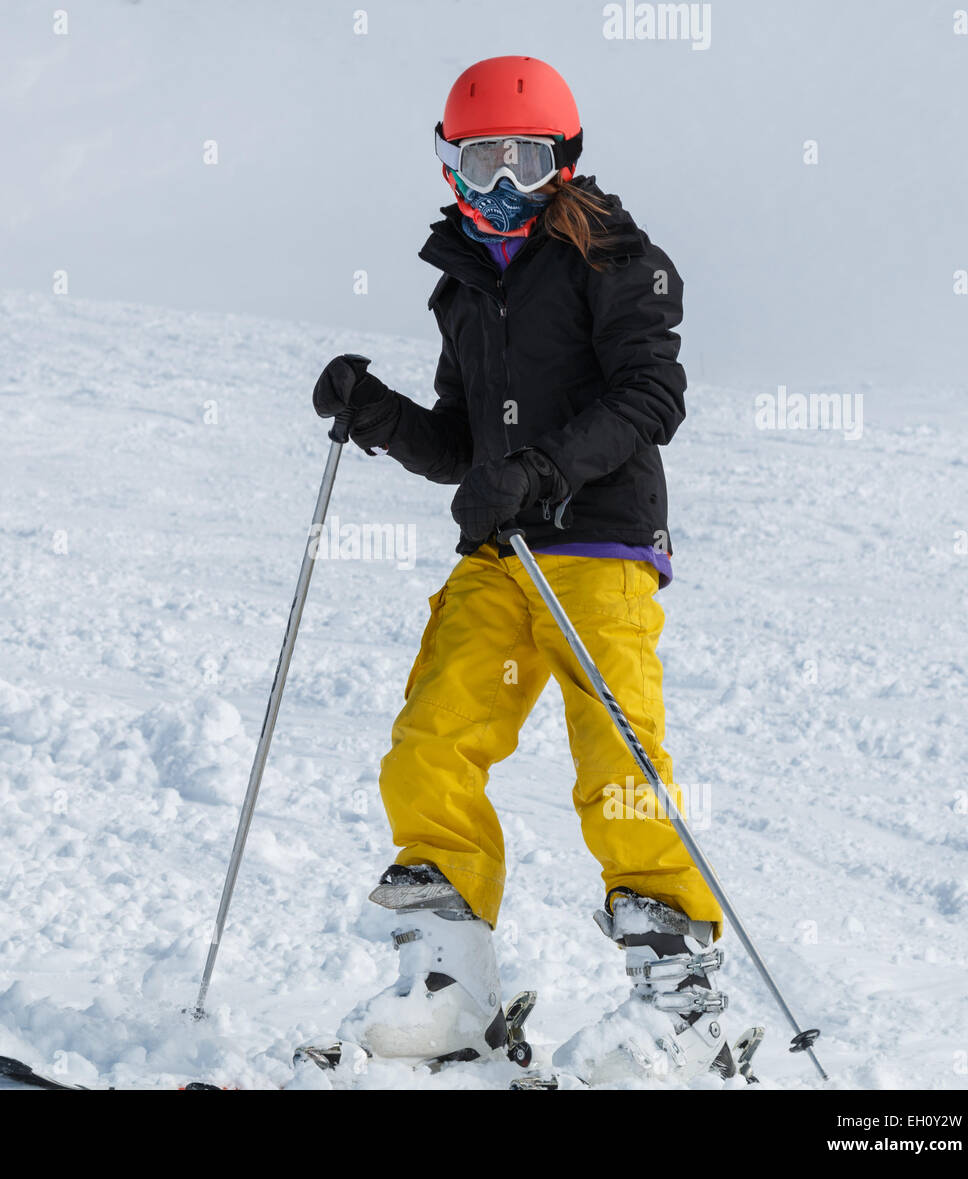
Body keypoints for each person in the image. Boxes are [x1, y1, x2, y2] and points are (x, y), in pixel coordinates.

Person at [312, 55, 733, 1083]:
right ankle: (446, 987)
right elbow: (462, 446)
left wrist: (543, 472)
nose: (504, 183)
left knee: (615, 764)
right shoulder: (462, 287)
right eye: (483, 158)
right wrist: (378, 419)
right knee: (429, 743)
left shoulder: (619, 260)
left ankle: (681, 1002)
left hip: (597, 545)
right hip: (499, 556)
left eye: (527, 159)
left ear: (566, 162)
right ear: (449, 164)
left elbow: (650, 398)